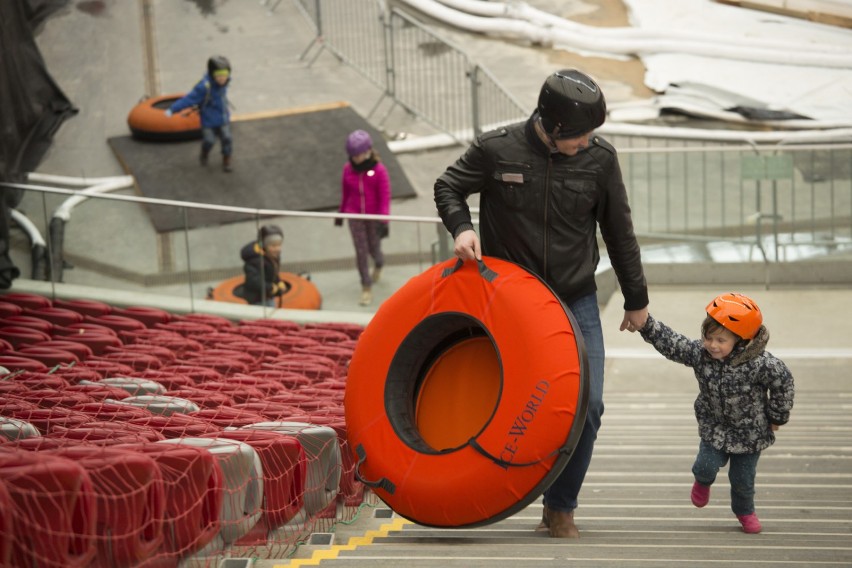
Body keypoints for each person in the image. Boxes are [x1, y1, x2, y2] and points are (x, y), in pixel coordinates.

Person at [433, 68, 649, 538]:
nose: (587, 142)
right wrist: (462, 227)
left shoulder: (599, 160)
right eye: (578, 135)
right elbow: (448, 186)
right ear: (550, 127)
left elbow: (619, 230)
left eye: (592, 133)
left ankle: (560, 506)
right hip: (511, 305)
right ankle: (481, 491)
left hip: (576, 299)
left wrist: (637, 299)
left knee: (588, 405)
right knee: (507, 401)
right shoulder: (496, 150)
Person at [635, 292, 794, 534]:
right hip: (715, 427)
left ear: (741, 341)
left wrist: (777, 416)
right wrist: (646, 324)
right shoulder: (702, 354)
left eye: (721, 340)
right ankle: (702, 481)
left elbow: (784, 383)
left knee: (743, 481)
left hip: (750, 434)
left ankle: (745, 512)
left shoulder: (761, 364)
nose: (712, 345)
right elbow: (673, 343)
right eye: (708, 338)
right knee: (705, 466)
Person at [335, 129, 391, 307]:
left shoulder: (379, 170)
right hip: (355, 215)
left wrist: (384, 220)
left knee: (374, 249)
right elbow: (346, 193)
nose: (355, 159)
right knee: (361, 251)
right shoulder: (348, 169)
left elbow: (384, 196)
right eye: (352, 155)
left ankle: (379, 262)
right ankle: (366, 286)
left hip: (373, 216)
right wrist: (341, 212)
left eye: (358, 155)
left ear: (367, 151)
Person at [166, 55, 234, 172]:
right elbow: (189, 99)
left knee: (227, 138)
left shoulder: (224, 83)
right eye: (219, 76)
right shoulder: (204, 87)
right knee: (209, 140)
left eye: (225, 75)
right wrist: (173, 108)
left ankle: (226, 159)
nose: (223, 79)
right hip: (208, 120)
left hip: (223, 118)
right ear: (213, 74)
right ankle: (204, 152)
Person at [240, 225, 287, 306]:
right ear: (263, 246)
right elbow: (253, 281)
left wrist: (278, 281)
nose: (277, 249)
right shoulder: (254, 260)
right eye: (273, 246)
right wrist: (270, 287)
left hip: (268, 294)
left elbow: (273, 271)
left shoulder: (273, 255)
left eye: (279, 245)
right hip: (257, 299)